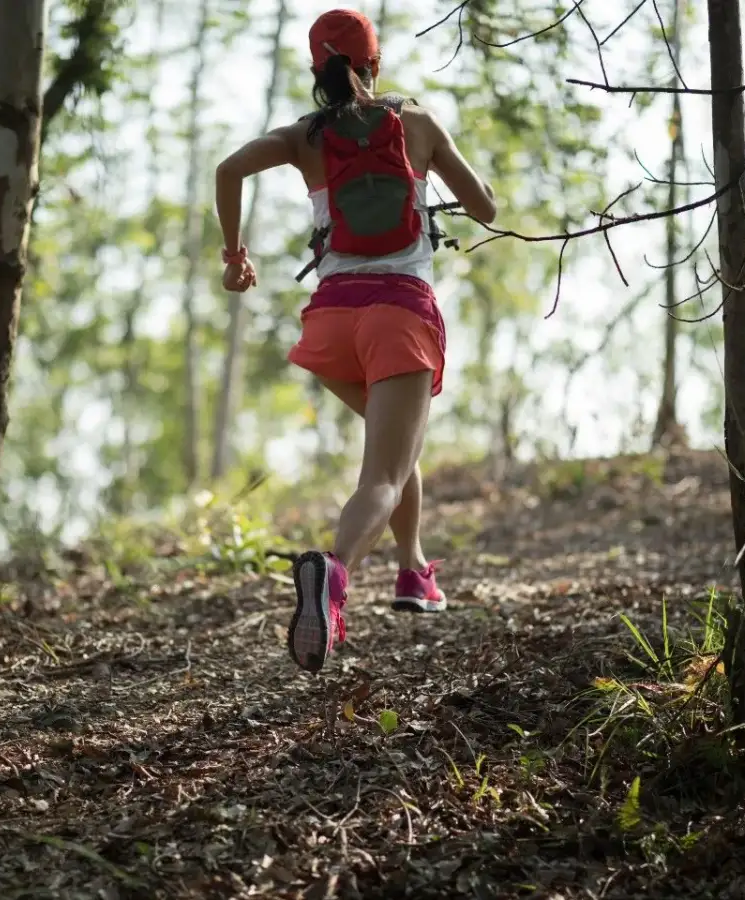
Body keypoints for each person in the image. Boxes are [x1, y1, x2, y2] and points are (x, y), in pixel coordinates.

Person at [213, 8, 497, 674]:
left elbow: (227, 169)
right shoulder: (417, 123)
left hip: (332, 325)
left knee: (395, 447)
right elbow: (485, 208)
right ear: (376, 62)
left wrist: (234, 257)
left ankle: (413, 572)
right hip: (399, 317)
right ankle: (333, 572)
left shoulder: (303, 137)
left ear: (318, 69)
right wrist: (466, 186)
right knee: (383, 477)